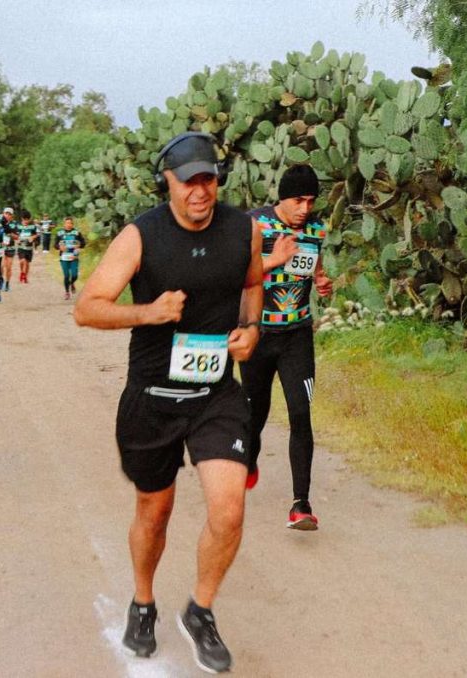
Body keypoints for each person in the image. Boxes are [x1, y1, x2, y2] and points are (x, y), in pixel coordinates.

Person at [74, 132, 263, 674]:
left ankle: (200, 611)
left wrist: (250, 329)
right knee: (154, 512)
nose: (200, 191)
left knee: (229, 509)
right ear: (169, 182)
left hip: (215, 394)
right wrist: (148, 313)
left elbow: (253, 284)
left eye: (208, 179)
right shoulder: (141, 236)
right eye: (189, 182)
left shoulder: (244, 230)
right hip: (152, 396)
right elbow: (87, 309)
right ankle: (142, 601)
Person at [242, 164, 333, 530]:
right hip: (258, 334)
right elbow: (235, 273)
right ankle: (248, 459)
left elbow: (315, 269)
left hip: (297, 336)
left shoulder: (316, 230)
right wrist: (275, 260)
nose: (305, 209)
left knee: (300, 413)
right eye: (299, 200)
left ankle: (301, 504)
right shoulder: (256, 225)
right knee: (256, 413)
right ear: (283, 198)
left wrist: (323, 282)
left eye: (311, 201)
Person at [54, 217, 86, 300]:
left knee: (75, 275)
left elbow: (83, 243)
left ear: (72, 224)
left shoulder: (77, 233)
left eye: (70, 223)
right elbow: (55, 245)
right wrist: (60, 247)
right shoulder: (59, 233)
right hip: (64, 257)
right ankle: (67, 292)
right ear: (64, 224)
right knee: (66, 275)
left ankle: (72, 283)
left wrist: (79, 245)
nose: (69, 225)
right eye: (67, 223)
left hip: (74, 256)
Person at [15, 209, 39, 283]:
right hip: (21, 247)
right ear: (22, 218)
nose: (26, 221)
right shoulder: (18, 226)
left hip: (29, 248)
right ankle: (22, 272)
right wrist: (17, 239)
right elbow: (15, 235)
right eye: (25, 219)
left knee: (27, 262)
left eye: (27, 219)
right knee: (22, 261)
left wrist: (32, 237)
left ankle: (25, 276)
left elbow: (36, 234)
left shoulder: (32, 227)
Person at [1, 206, 18, 292]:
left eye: (9, 214)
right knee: (0, 266)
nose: (7, 215)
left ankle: (7, 283)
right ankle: (1, 281)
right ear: (3, 214)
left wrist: (9, 234)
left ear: (12, 216)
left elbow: (16, 237)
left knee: (8, 267)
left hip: (10, 247)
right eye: (6, 213)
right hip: (1, 247)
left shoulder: (14, 224)